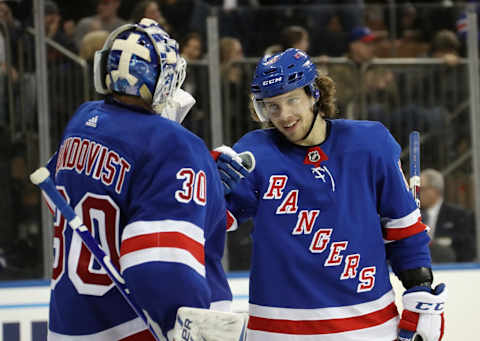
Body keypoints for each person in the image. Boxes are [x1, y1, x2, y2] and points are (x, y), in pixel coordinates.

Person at [216, 48, 446, 340]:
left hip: (368, 326)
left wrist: (420, 290)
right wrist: (209, 188)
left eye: (292, 100)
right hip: (278, 330)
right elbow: (214, 222)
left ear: (314, 94)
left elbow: (404, 230)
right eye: (271, 106)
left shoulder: (370, 144)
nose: (283, 115)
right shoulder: (254, 152)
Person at [44, 18, 232, 340]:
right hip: (131, 327)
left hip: (68, 322)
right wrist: (187, 328)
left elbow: (58, 197)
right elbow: (161, 266)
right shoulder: (175, 145)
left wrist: (204, 184)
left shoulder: (83, 121)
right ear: (165, 79)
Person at [420, 168, 477, 263]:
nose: (416, 194)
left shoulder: (459, 215)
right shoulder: (413, 215)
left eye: (421, 189)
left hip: (451, 269)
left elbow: (467, 249)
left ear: (435, 190)